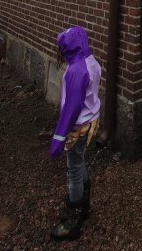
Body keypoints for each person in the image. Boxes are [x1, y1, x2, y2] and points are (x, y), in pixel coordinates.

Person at [49, 26, 101, 242]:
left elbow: (72, 107)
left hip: (77, 127)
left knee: (73, 168)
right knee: (79, 162)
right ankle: (85, 206)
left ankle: (73, 218)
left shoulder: (77, 71)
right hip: (90, 122)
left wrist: (58, 139)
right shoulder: (92, 62)